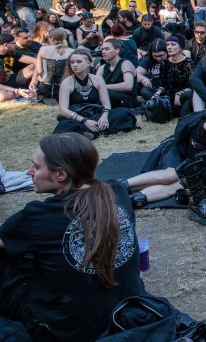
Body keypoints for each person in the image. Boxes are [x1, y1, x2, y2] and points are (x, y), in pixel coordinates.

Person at [0, 133, 144, 341]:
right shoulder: (116, 192)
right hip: (128, 313)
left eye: (36, 167)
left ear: (60, 174)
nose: (29, 172)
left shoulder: (38, 217)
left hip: (65, 331)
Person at [54, 48, 136, 138]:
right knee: (65, 126)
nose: (75, 65)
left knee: (124, 113)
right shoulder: (66, 83)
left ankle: (92, 130)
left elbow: (106, 104)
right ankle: (93, 131)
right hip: (77, 117)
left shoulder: (97, 80)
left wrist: (104, 117)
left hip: (96, 114)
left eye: (78, 62)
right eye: (72, 62)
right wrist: (84, 121)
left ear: (88, 64)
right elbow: (63, 110)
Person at [30, 28, 73, 100]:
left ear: (52, 38)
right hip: (64, 89)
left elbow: (39, 70)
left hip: (45, 89)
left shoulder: (43, 49)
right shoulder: (71, 51)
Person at [97, 38, 138, 108]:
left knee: (108, 95)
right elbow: (96, 85)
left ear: (117, 50)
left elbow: (128, 86)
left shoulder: (125, 64)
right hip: (110, 96)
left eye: (107, 49)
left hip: (127, 99)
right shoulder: (102, 68)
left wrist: (104, 87)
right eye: (102, 49)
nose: (103, 52)